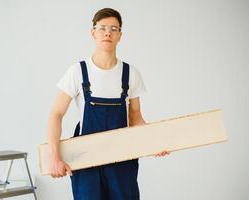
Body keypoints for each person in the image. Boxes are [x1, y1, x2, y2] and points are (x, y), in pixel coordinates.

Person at [47, 7, 170, 200]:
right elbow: (56, 114)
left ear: (120, 35)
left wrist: (153, 142)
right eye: (103, 27)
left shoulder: (130, 74)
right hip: (86, 162)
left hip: (121, 161)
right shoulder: (78, 71)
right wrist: (54, 156)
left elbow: (135, 117)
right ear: (93, 32)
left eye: (114, 29)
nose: (108, 33)